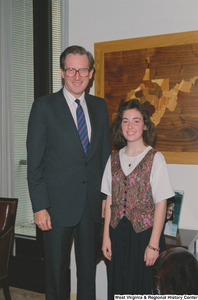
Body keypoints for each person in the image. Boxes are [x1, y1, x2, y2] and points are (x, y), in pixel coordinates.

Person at [27, 45, 111, 300]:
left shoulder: (99, 106)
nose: (77, 75)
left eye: (82, 69)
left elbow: (105, 157)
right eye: (71, 69)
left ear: (91, 73)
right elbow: (35, 163)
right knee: (57, 273)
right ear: (62, 72)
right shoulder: (43, 107)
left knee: (88, 273)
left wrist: (107, 197)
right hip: (55, 208)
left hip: (91, 205)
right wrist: (40, 206)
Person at [101, 99, 175, 297]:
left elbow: (161, 203)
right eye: (125, 121)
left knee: (142, 289)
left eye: (135, 120)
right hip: (117, 233)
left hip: (144, 235)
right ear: (120, 126)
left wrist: (153, 245)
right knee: (118, 286)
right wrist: (106, 237)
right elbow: (109, 200)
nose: (130, 126)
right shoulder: (113, 158)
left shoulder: (155, 158)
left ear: (144, 125)